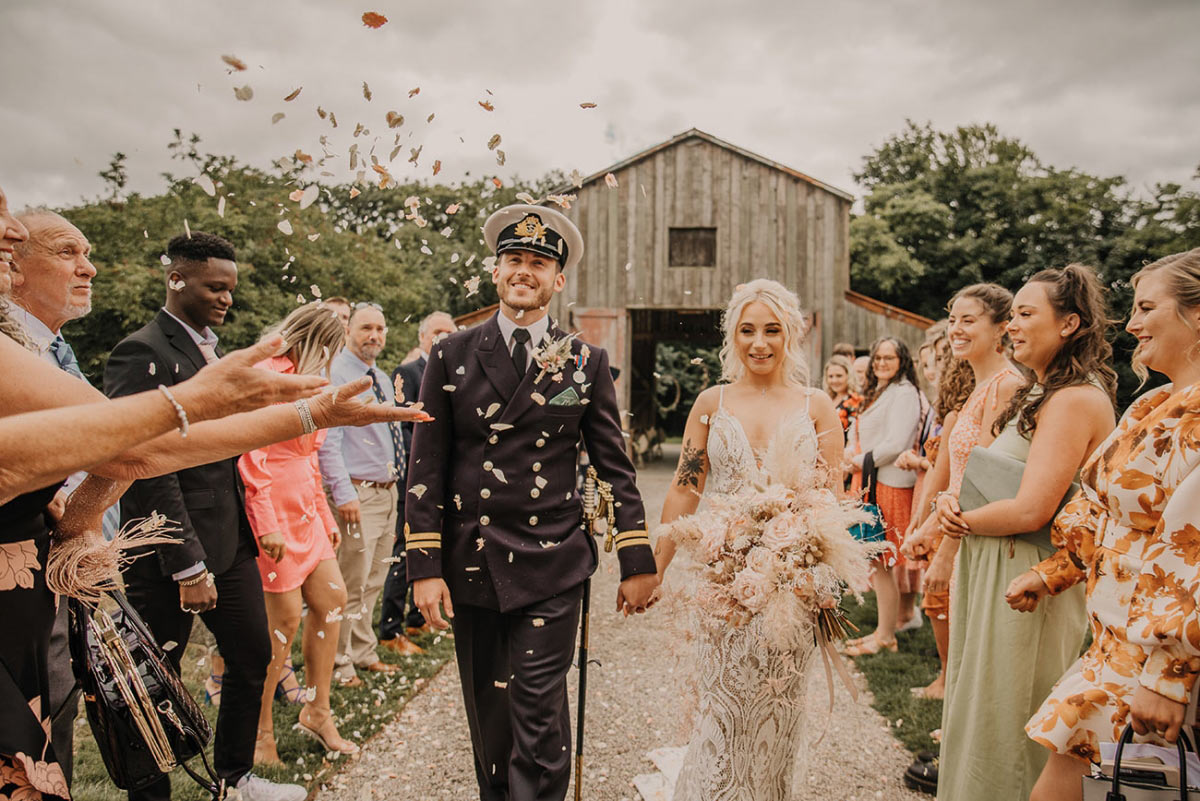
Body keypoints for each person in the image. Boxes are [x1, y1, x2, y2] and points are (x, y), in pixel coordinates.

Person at [0, 183, 429, 801]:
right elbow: (142, 452)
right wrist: (211, 410)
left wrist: (315, 416)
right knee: (143, 687)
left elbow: (144, 450)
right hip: (148, 553)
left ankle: (233, 776)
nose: (11, 232)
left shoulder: (46, 348)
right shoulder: (136, 350)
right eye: (68, 250)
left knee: (50, 743)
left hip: (56, 575)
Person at [405, 204, 658, 801]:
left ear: (558, 280)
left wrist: (637, 558)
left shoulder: (584, 361)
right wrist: (423, 568)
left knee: (539, 709)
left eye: (539, 263)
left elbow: (614, 467)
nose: (525, 270)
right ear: (495, 273)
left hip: (553, 561)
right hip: (473, 559)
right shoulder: (451, 355)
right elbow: (425, 469)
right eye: (514, 259)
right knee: (489, 713)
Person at [1014, 249, 1200, 801]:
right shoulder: (1156, 404)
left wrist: (1168, 674)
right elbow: (1105, 508)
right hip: (1112, 643)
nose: (1134, 325)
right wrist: (1054, 572)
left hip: (1155, 662)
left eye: (1147, 308)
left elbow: (1191, 548)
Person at [649, 279, 844, 800]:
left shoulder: (818, 405)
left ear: (791, 334)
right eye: (748, 330)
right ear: (732, 336)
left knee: (777, 715)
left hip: (792, 586)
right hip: (722, 581)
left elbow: (833, 500)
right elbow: (685, 487)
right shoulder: (712, 402)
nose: (760, 342)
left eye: (772, 330)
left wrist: (815, 567)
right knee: (722, 710)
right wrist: (657, 566)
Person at [932, 266, 1115, 801]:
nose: (1012, 325)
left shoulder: (1077, 398)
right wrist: (951, 503)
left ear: (1069, 324)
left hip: (1027, 579)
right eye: (1011, 315)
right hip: (991, 561)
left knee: (1008, 714)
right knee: (979, 702)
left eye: (1026, 314)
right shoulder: (1037, 393)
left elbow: (1033, 509)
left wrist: (956, 518)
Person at [7, 208, 117, 787]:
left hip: (67, 571)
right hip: (25, 575)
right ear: (13, 266)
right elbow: (126, 443)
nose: (89, 268)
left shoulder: (54, 349)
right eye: (67, 252)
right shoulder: (15, 355)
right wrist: (79, 523)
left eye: (88, 252)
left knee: (63, 712)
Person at [238, 303, 358, 764]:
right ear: (316, 339)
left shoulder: (317, 379)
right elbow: (251, 451)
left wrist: (325, 517)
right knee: (283, 621)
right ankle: (259, 728)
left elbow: (311, 457)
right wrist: (266, 523)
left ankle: (317, 709)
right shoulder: (268, 374)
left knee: (332, 601)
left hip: (307, 506)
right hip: (268, 506)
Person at [902, 285, 1023, 694]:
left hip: (971, 534)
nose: (956, 329)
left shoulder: (1006, 386)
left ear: (1001, 329)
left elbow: (985, 481)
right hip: (955, 527)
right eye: (953, 319)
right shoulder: (979, 387)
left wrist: (944, 550)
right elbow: (954, 476)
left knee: (976, 639)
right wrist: (924, 529)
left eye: (968, 320)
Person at [319, 303, 406, 686]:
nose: (375, 335)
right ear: (349, 331)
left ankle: (362, 650)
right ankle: (338, 664)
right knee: (348, 583)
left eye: (381, 328)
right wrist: (343, 493)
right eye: (366, 328)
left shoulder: (382, 379)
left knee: (374, 579)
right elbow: (328, 442)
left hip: (387, 492)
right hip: (357, 493)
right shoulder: (337, 374)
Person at [379, 310, 456, 649]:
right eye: (437, 331)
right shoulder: (408, 372)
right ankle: (390, 627)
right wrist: (426, 463)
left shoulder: (457, 370)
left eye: (449, 332)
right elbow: (403, 424)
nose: (442, 336)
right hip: (415, 475)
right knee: (404, 547)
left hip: (446, 478)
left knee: (431, 545)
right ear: (423, 337)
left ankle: (416, 619)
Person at [843, 337, 924, 656]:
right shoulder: (879, 392)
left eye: (888, 358)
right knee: (877, 563)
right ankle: (883, 630)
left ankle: (886, 635)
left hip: (887, 483)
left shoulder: (905, 393)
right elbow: (859, 432)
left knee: (883, 560)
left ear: (902, 360)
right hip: (868, 478)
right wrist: (851, 451)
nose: (881, 363)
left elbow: (896, 442)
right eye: (877, 358)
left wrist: (857, 461)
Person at [822, 353, 862, 437]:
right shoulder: (827, 399)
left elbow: (855, 433)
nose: (834, 380)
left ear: (849, 376)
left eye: (839, 376)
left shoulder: (855, 400)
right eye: (830, 376)